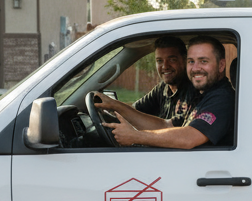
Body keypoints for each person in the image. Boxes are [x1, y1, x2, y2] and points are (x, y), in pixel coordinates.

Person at [96, 35, 236, 149]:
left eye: (203, 61)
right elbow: (166, 126)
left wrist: (135, 136)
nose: (195, 68)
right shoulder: (202, 93)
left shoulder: (223, 98)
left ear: (221, 65)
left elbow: (190, 137)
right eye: (191, 61)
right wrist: (115, 105)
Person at [97, 36, 197, 125]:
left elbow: (168, 127)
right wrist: (110, 110)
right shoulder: (163, 89)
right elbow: (135, 110)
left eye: (172, 60)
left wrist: (115, 105)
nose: (165, 66)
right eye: (159, 61)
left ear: (185, 60)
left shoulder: (193, 91)